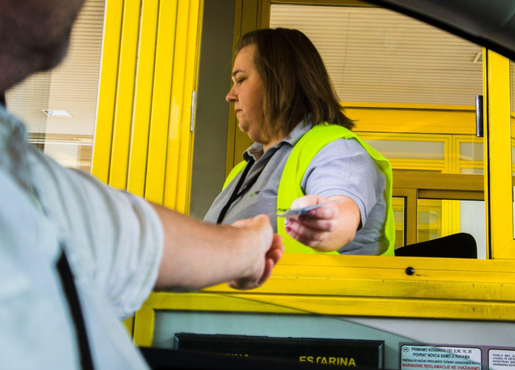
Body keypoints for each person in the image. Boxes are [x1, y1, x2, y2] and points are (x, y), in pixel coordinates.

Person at [0, 0, 284, 368]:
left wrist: (247, 247)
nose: (230, 94)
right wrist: (247, 247)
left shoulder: (19, 172)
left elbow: (131, 238)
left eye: (240, 80)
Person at [204, 28, 395, 256]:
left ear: (280, 81)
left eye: (241, 80)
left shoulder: (334, 149)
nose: (230, 95)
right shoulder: (240, 173)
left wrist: (324, 221)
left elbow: (340, 212)